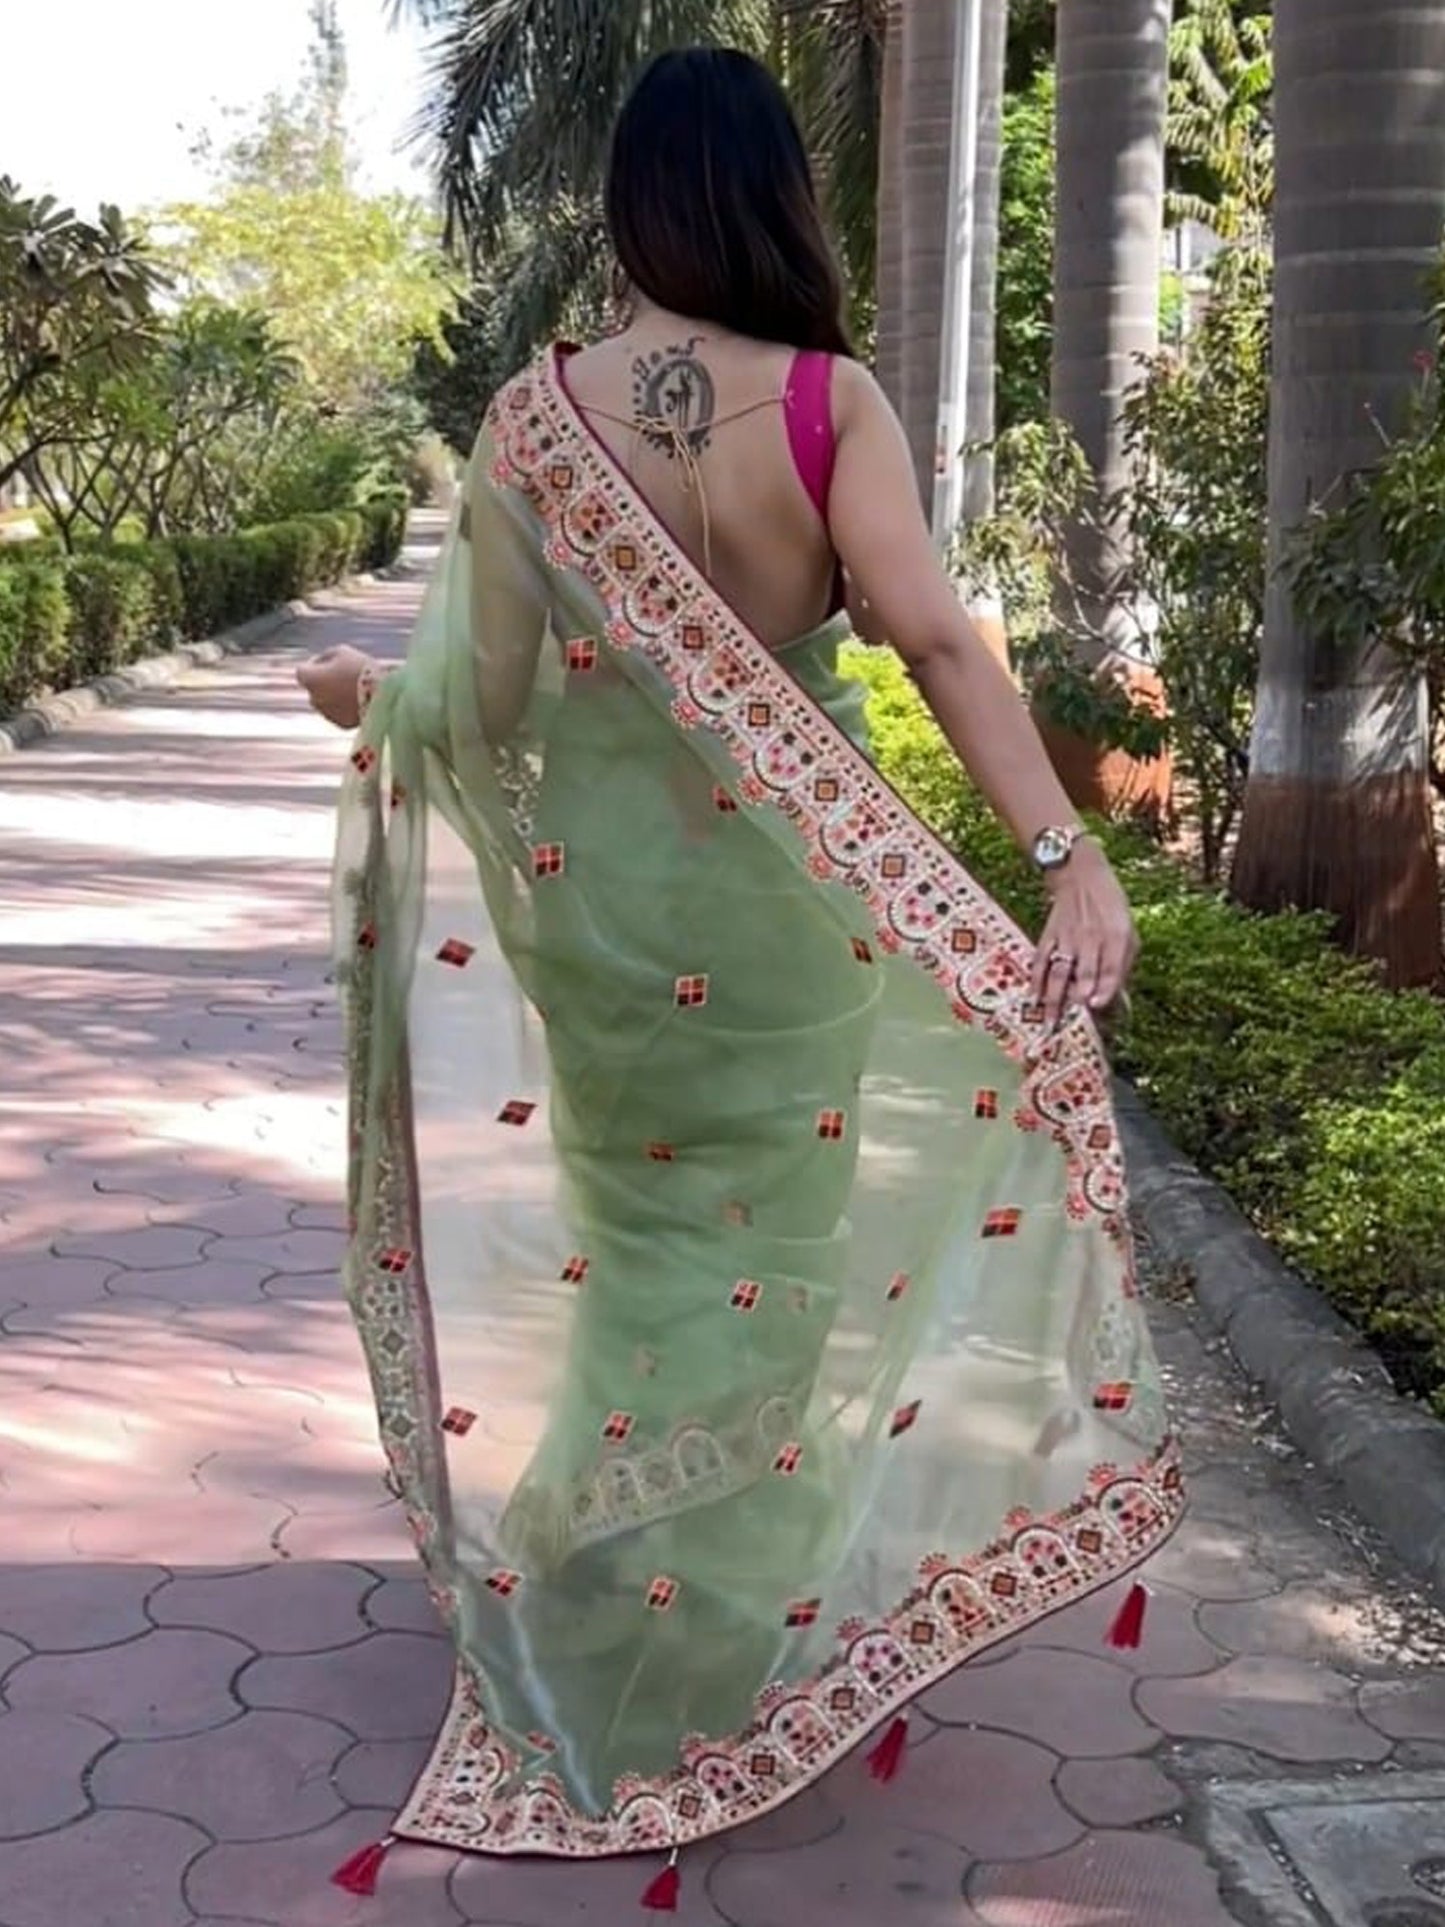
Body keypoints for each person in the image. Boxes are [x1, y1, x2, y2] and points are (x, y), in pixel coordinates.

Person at [298, 45, 1181, 1908]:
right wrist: (1063, 854)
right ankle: (715, 1611)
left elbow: (488, 701)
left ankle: (598, 1562)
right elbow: (932, 637)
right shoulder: (825, 402)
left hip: (611, 928)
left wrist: (372, 698)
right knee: (771, 1257)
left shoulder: (537, 420)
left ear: (632, 204)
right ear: (777, 196)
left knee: (641, 1241)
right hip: (791, 915)